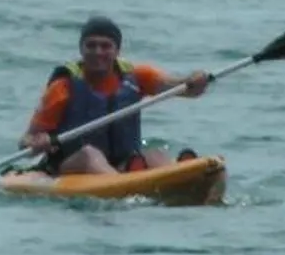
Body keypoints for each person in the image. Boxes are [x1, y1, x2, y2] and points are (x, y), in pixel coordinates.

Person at [21, 17, 211, 175]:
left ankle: (181, 177)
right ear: (81, 50)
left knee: (155, 154)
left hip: (122, 163)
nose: (98, 52)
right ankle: (125, 184)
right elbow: (25, 142)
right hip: (72, 166)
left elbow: (186, 89)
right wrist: (39, 142)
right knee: (89, 154)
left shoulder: (138, 77)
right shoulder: (62, 87)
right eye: (91, 46)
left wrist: (195, 80)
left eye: (106, 46)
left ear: (117, 51)